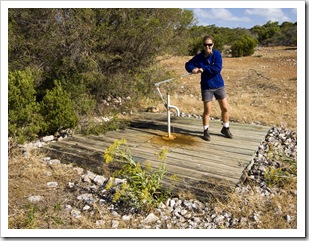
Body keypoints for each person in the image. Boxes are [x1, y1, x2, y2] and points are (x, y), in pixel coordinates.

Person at [185, 35, 233, 141]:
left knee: (225, 108)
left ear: (213, 45)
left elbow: (217, 68)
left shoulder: (217, 54)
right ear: (203, 45)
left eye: (210, 45)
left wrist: (203, 68)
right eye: (205, 45)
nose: (208, 47)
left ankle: (226, 128)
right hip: (206, 87)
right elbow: (188, 65)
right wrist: (192, 69)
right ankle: (206, 131)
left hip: (219, 85)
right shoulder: (199, 57)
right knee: (207, 110)